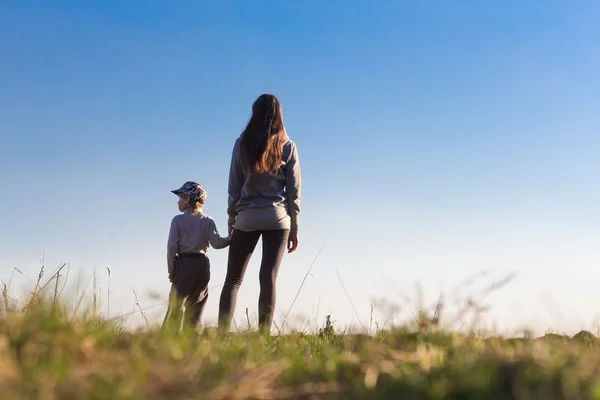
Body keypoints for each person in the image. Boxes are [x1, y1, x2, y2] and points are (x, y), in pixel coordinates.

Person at [218, 93, 301, 333]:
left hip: (247, 218)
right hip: (277, 219)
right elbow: (294, 193)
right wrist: (295, 228)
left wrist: (232, 220)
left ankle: (222, 336)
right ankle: (263, 337)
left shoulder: (241, 144)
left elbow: (233, 186)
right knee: (268, 279)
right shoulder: (288, 146)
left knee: (233, 280)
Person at [162, 181, 230, 332]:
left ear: (187, 199)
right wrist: (231, 238)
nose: (178, 201)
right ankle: (192, 339)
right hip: (202, 265)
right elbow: (217, 243)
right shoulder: (208, 220)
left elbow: (171, 247)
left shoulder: (177, 220)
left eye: (180, 197)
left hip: (184, 264)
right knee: (196, 306)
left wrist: (171, 270)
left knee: (176, 305)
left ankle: (169, 338)